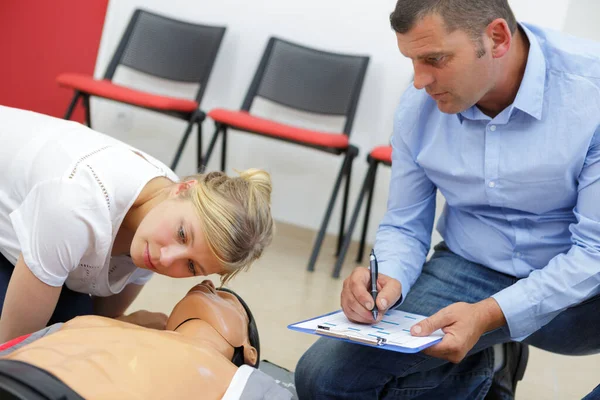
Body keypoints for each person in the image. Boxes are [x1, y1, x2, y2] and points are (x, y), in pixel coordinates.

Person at [296, 0, 600, 398]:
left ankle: (486, 348)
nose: (420, 80)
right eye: (412, 61)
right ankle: (487, 368)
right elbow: (405, 223)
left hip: (585, 294)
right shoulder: (417, 107)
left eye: (435, 59)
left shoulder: (589, 93)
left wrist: (490, 315)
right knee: (322, 378)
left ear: (496, 38)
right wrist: (384, 281)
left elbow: (593, 253)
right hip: (473, 265)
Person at [0, 105, 274, 344]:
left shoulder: (165, 209)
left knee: (76, 319)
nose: (165, 259)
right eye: (182, 235)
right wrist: (126, 329)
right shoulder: (75, 204)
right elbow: (12, 353)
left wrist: (117, 327)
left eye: (191, 266)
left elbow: (102, 316)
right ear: (182, 189)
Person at [0, 280, 293, 399]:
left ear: (249, 351)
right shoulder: (95, 323)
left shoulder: (244, 380)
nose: (207, 283)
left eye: (224, 297)